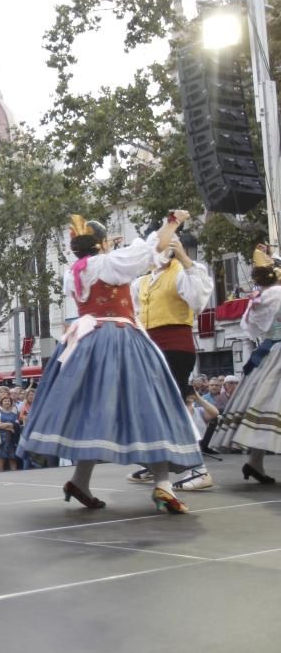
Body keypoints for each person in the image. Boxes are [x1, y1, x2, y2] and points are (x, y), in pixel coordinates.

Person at [19, 213, 203, 514]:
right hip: (118, 339)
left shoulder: (73, 271)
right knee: (150, 404)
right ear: (103, 244)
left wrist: (112, 250)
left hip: (86, 342)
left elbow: (113, 264)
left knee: (93, 411)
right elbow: (155, 247)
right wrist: (172, 221)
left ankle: (80, 480)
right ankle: (163, 485)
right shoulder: (109, 262)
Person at [128, 233, 214, 491]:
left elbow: (198, 300)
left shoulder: (184, 272)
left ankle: (199, 467)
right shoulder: (141, 281)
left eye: (164, 246)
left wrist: (185, 258)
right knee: (151, 407)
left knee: (171, 407)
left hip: (176, 348)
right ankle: (157, 462)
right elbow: (134, 315)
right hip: (149, 349)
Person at [210, 246, 281, 482]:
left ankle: (254, 462)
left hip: (269, 352)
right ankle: (254, 462)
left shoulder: (260, 298)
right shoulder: (277, 294)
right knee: (269, 407)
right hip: (276, 352)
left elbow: (254, 328)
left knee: (263, 407)